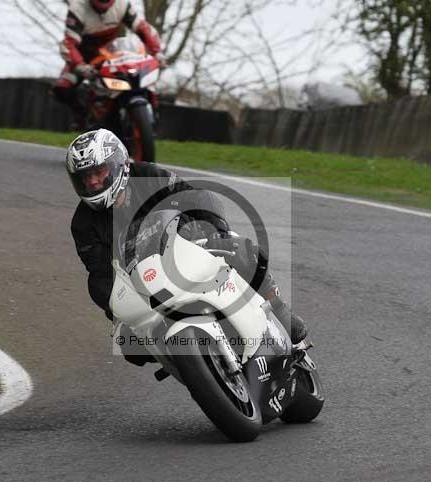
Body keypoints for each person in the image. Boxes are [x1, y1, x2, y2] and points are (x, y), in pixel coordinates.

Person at [67, 129, 308, 365]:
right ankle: (187, 361)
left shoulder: (148, 174)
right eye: (84, 177)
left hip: (186, 245)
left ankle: (279, 310)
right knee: (128, 344)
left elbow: (196, 196)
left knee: (239, 249)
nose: (93, 182)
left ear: (119, 164)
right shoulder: (82, 224)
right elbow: (100, 274)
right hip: (142, 280)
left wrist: (217, 232)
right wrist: (120, 313)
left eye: (99, 171)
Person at [51, 0, 162, 124]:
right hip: (84, 57)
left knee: (139, 75)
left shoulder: (122, 4)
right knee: (63, 87)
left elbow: (142, 28)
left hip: (113, 52)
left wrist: (157, 51)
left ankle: (154, 111)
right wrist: (80, 66)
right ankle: (83, 118)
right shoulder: (77, 7)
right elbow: (69, 44)